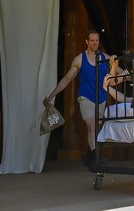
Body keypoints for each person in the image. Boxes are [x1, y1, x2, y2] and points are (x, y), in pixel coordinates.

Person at [45, 29, 109, 166]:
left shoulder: (105, 57)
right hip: (86, 97)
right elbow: (67, 79)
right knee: (92, 127)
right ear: (87, 42)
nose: (95, 43)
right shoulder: (80, 59)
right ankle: (97, 158)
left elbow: (119, 71)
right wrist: (51, 95)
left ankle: (90, 157)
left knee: (97, 129)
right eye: (92, 40)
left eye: (97, 40)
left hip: (102, 97)